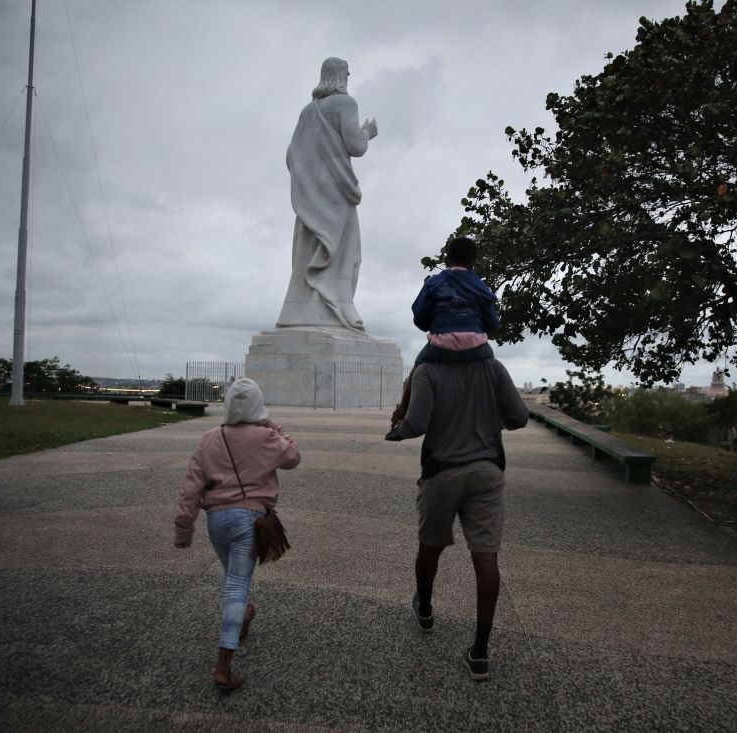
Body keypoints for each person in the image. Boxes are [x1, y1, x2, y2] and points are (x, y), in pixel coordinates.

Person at [385, 356, 529, 681]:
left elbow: (417, 423)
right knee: (486, 557)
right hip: (488, 470)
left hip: (442, 472)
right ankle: (479, 652)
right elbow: (519, 417)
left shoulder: (427, 370)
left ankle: (424, 607)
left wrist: (397, 429)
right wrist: (492, 422)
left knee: (430, 546)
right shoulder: (493, 368)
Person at [174, 378, 300, 691]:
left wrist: (183, 527)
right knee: (237, 585)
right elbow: (294, 457)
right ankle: (223, 667)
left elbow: (191, 488)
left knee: (232, 577)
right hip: (250, 519)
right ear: (259, 406)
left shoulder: (209, 438)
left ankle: (243, 615)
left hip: (217, 520)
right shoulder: (266, 437)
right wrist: (272, 424)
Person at [275, 57, 378, 332]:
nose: (349, 77)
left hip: (311, 198)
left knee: (308, 254)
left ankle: (302, 314)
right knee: (347, 256)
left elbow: (291, 155)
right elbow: (355, 146)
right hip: (336, 195)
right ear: (341, 76)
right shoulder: (346, 104)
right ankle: (337, 309)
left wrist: (310, 182)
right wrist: (367, 132)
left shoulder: (307, 112)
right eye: (347, 73)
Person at [389, 236, 500, 428]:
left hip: (441, 347)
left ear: (447, 259)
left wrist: (434, 326)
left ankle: (402, 415)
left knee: (417, 370)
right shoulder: (481, 286)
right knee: (493, 369)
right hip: (476, 348)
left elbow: (419, 316)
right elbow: (492, 321)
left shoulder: (434, 283)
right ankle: (498, 415)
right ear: (473, 263)